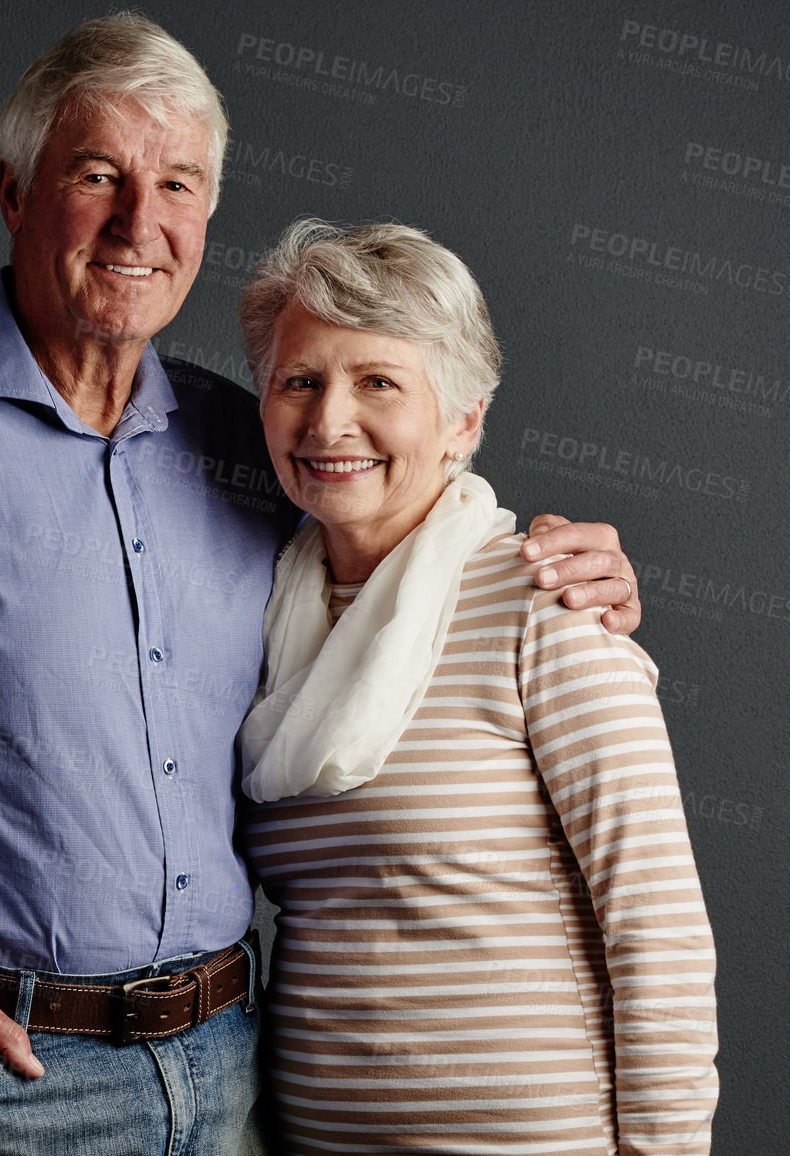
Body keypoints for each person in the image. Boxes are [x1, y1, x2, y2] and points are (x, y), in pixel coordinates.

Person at [0, 15, 642, 1156]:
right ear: (13, 192)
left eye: (179, 184)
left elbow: (400, 541)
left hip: (239, 1076)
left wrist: (549, 564)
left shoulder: (248, 442)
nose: (140, 223)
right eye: (97, 175)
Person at [237, 219, 718, 1154]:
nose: (328, 420)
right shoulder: (259, 611)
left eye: (378, 381)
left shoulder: (546, 603)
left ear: (464, 418)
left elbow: (656, 929)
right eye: (299, 380)